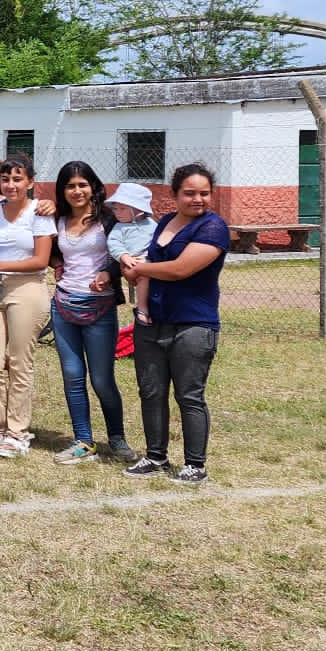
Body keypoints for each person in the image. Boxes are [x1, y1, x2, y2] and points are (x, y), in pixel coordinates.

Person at [121, 163, 230, 485]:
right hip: (152, 322)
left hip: (194, 325)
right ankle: (155, 456)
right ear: (174, 194)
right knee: (151, 391)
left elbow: (182, 269)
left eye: (204, 193)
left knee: (189, 395)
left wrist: (140, 270)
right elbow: (153, 263)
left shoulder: (213, 228)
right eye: (190, 193)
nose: (198, 199)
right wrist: (137, 268)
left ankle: (195, 465)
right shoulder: (167, 221)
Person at [47, 161, 134, 465]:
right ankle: (83, 440)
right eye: (70, 186)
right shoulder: (56, 219)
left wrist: (110, 274)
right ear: (63, 190)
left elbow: (126, 253)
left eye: (82, 184)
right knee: (72, 377)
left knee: (101, 379)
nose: (77, 191)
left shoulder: (109, 220)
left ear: (93, 186)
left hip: (100, 308)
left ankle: (117, 439)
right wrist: (56, 262)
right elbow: (49, 249)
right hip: (64, 306)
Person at [0, 155, 54, 459]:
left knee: (19, 361)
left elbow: (40, 260)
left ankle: (18, 433)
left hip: (28, 288)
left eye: (18, 179)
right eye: (6, 179)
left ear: (30, 183)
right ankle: (0, 425)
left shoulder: (39, 213)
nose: (11, 185)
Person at [105, 183, 158, 325]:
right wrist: (123, 256)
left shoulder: (151, 225)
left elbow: (158, 241)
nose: (117, 212)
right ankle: (142, 308)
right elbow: (113, 243)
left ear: (139, 209)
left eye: (122, 208)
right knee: (144, 277)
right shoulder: (119, 227)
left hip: (152, 261)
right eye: (115, 208)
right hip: (133, 261)